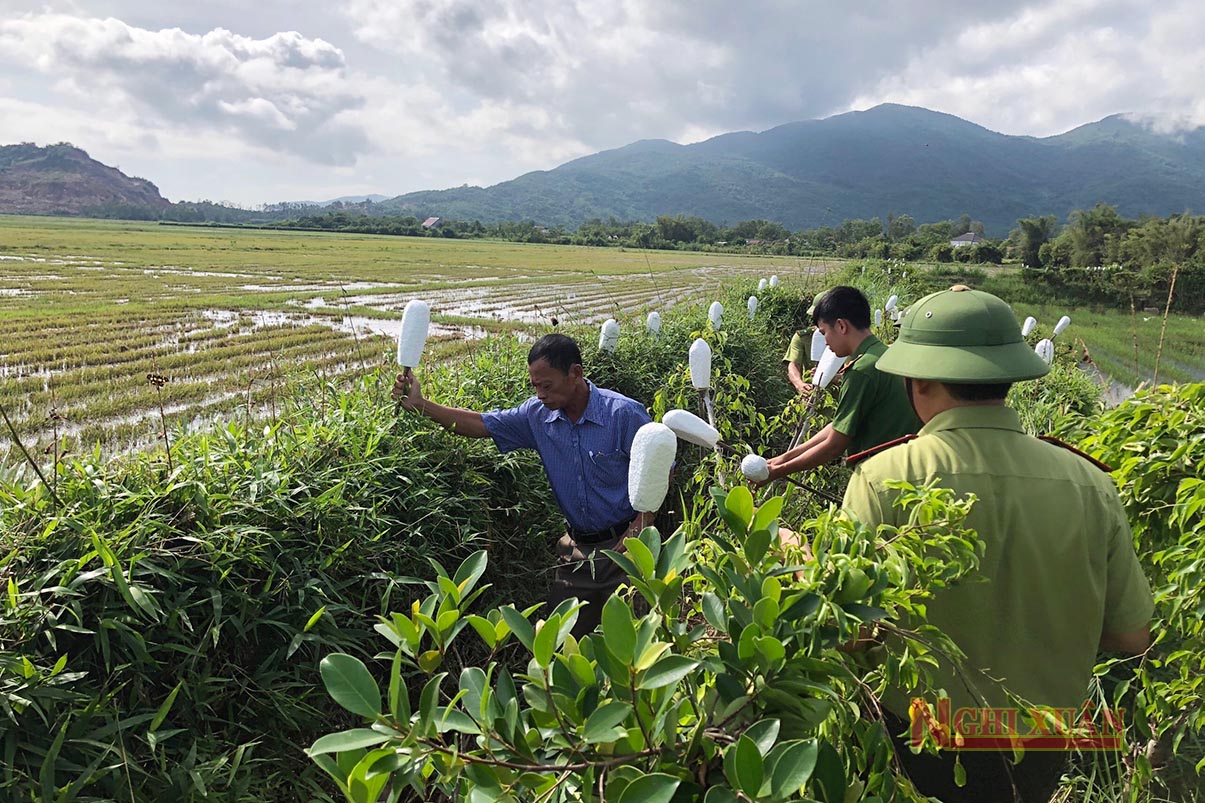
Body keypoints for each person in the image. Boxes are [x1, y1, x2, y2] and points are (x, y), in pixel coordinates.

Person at [841, 285, 1154, 802]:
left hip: (922, 735)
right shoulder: (1088, 482)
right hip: (1041, 741)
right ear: (1007, 376)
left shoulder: (884, 477)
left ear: (917, 381)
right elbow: (1130, 636)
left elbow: (850, 632)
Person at [392, 333, 653, 637]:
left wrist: (639, 527)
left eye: (547, 386)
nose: (540, 395)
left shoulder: (623, 414)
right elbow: (481, 424)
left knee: (634, 643)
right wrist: (421, 404)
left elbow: (662, 468)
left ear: (575, 373)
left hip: (625, 546)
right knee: (559, 645)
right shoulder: (536, 416)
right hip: (576, 551)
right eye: (535, 387)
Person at [766, 286, 919, 482]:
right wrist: (781, 459)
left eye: (824, 332)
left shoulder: (862, 370)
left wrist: (778, 472)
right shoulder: (884, 354)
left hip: (882, 477)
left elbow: (835, 445)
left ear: (841, 326)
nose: (825, 341)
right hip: (905, 469)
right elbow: (840, 425)